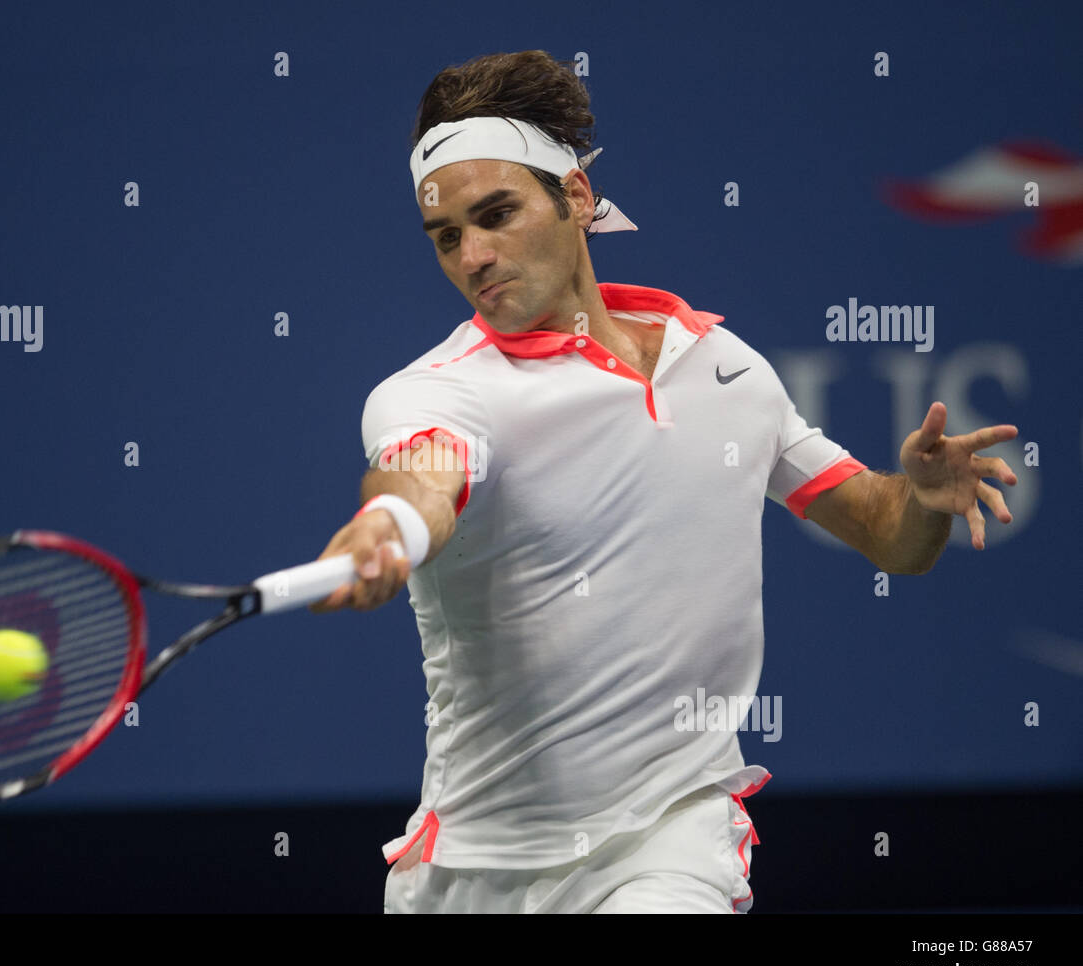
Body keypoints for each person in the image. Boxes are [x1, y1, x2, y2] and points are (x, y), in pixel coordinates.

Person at [309, 50, 1019, 914]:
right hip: (474, 870)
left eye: (497, 214)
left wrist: (924, 503)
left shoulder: (724, 368)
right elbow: (422, 478)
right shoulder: (437, 392)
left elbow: (885, 533)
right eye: (448, 236)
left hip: (671, 836)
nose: (474, 256)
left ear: (574, 197)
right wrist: (389, 528)